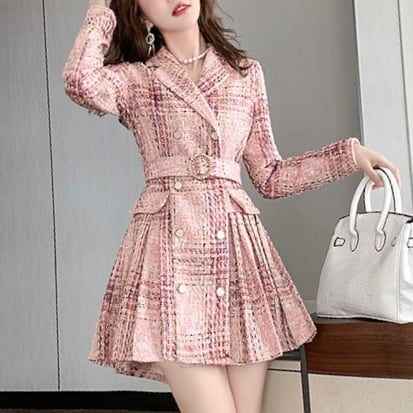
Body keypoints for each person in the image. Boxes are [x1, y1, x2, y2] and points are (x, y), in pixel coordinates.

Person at [62, 0, 400, 412]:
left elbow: (271, 176)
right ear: (141, 14)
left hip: (239, 263)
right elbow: (79, 81)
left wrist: (346, 156)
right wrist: (100, 9)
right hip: (169, 260)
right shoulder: (137, 79)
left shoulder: (244, 74)